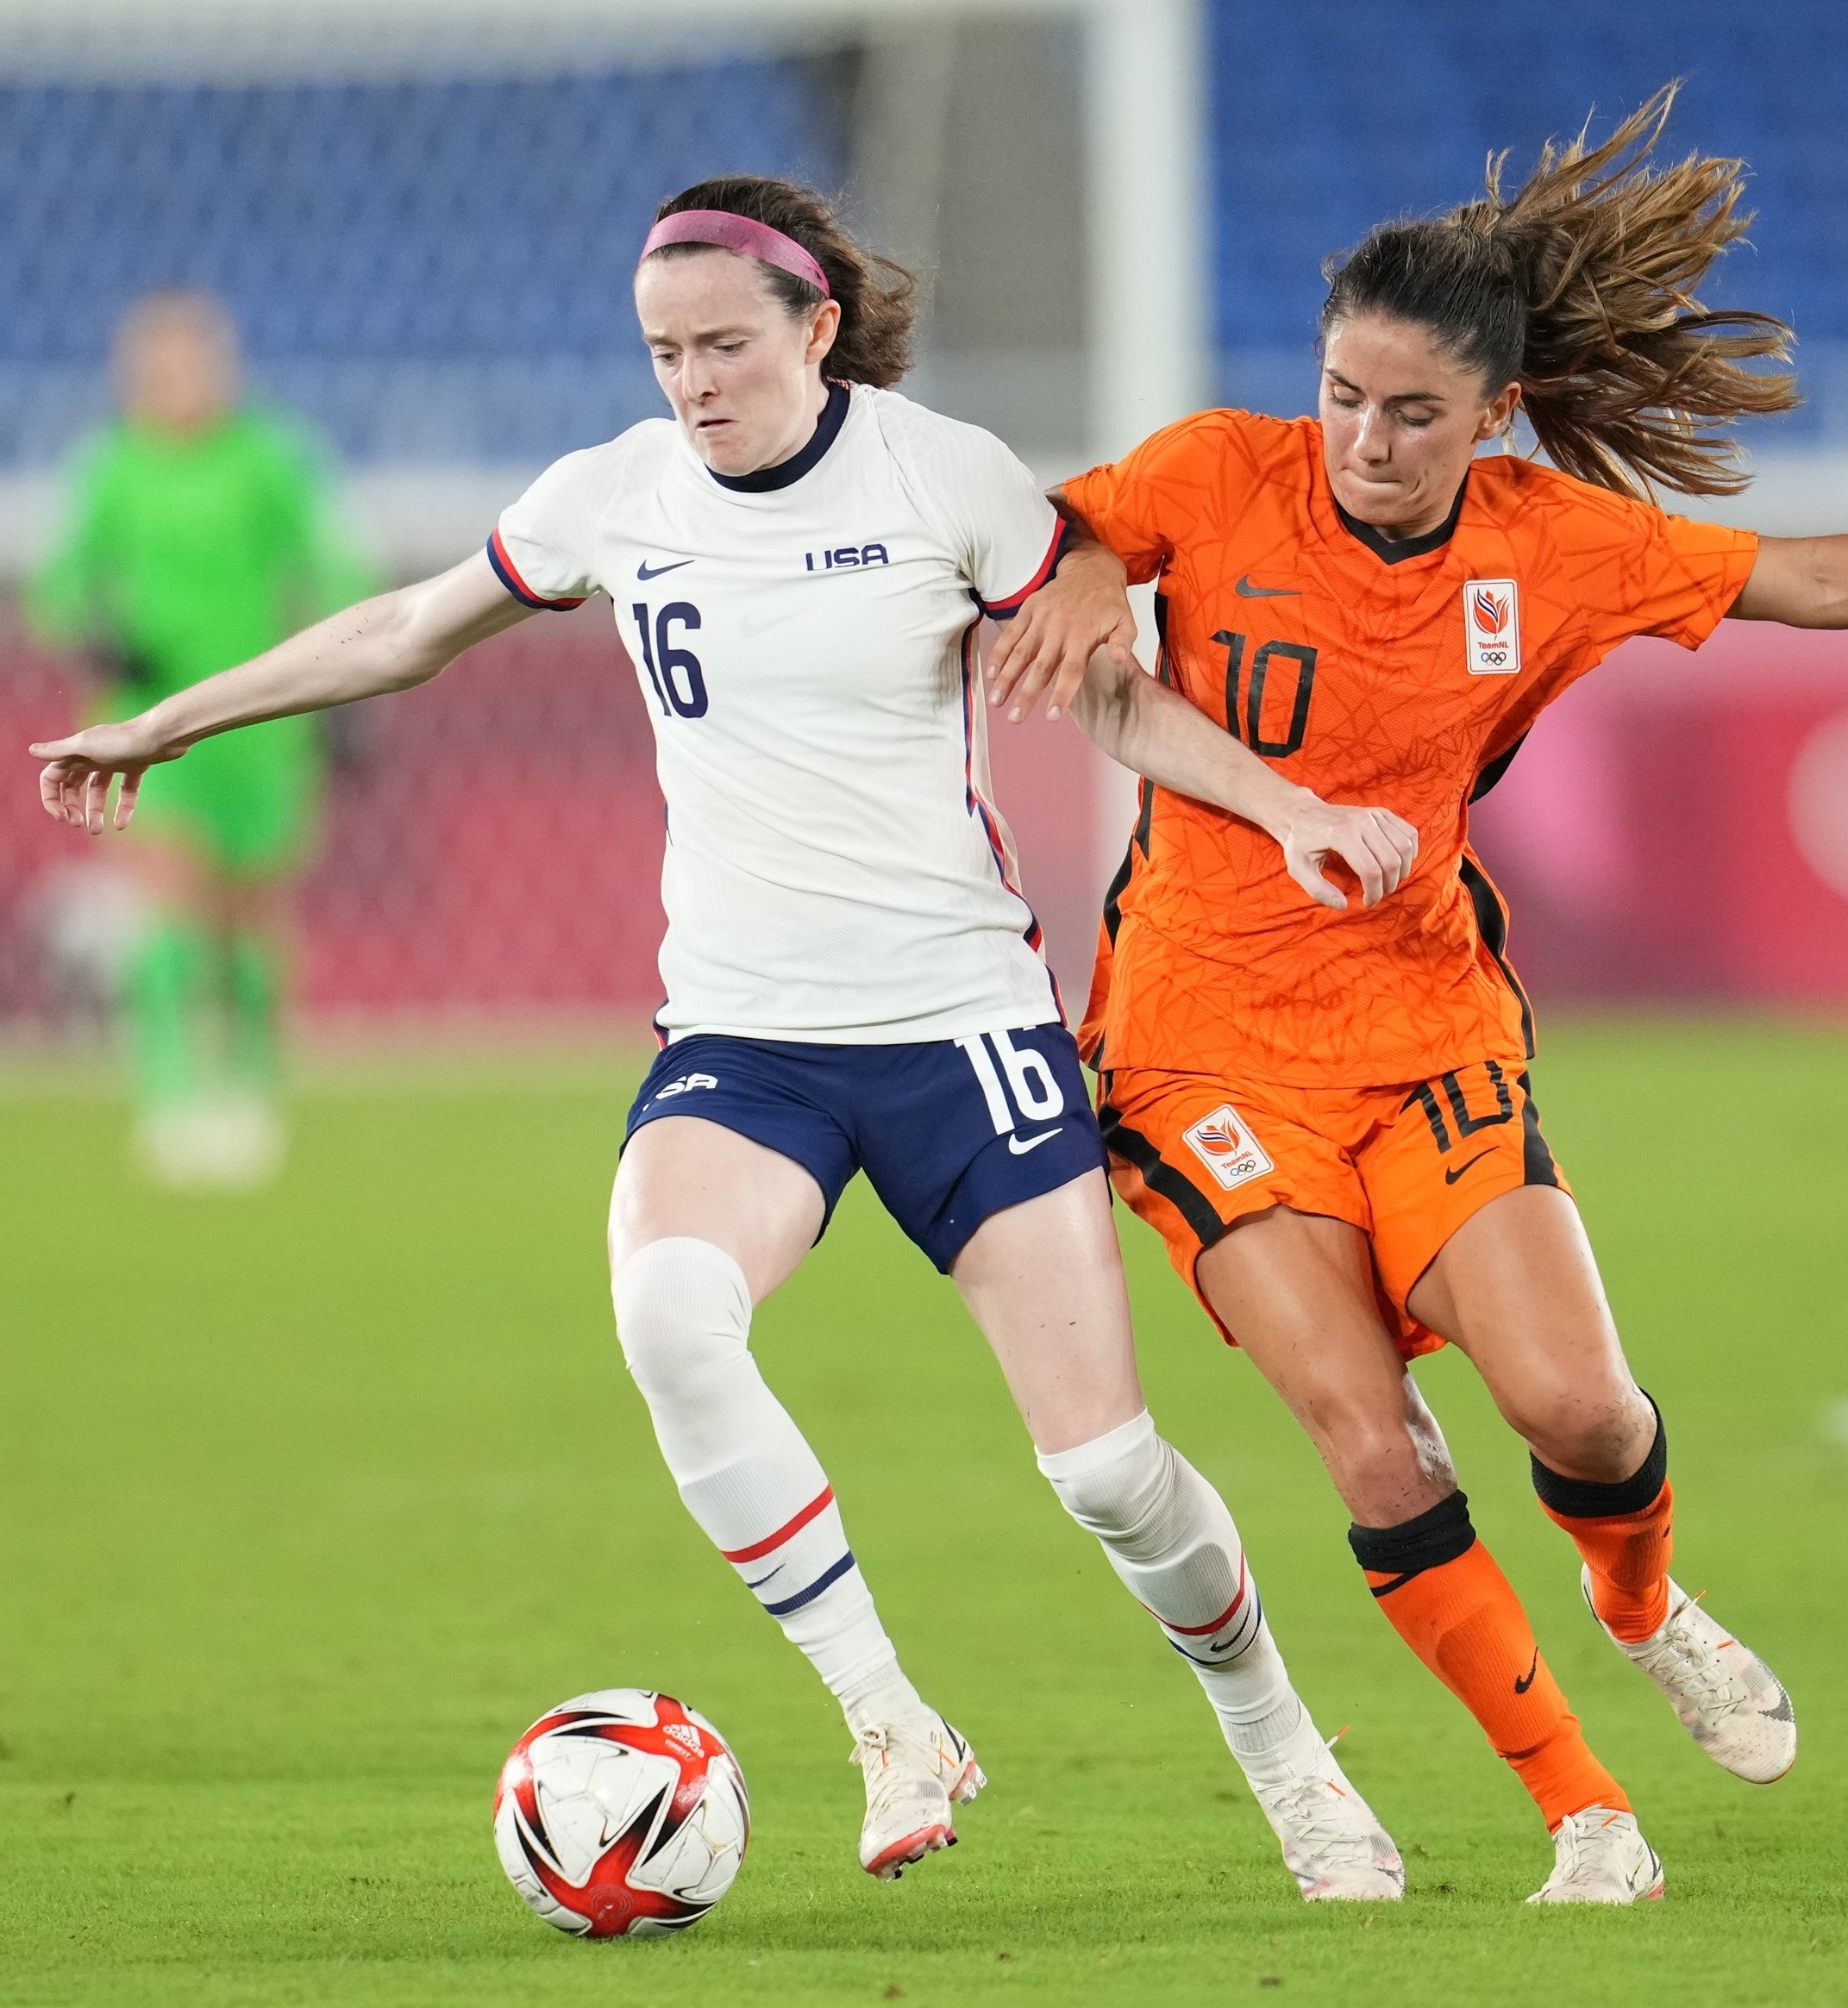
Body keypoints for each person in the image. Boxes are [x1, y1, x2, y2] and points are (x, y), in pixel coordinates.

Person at [32, 178, 1422, 1900]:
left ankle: (1284, 1754)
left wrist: (1287, 809)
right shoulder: (611, 496)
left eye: (722, 345)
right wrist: (173, 717)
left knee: (1106, 1472)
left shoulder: (942, 479)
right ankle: (889, 1720)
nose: (692, 381)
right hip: (746, 1041)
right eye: (663, 351)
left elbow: (1112, 693)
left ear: (815, 326)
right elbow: (405, 628)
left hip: (960, 1030)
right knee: (668, 1311)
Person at [989, 84, 1848, 1905]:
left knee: (1580, 1416)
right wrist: (1074, 570)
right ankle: (1580, 1810)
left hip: (1421, 1022)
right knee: (1366, 1436)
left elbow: (1806, 578)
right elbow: (1077, 529)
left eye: (1409, 414)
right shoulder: (1219, 470)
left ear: (1492, 415)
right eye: (1340, 394)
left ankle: (1645, 1603)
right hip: (1197, 1039)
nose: (1363, 440)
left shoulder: (1548, 546)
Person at [27, 291, 373, 1186]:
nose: (175, 384)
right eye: (157, 367)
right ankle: (173, 1097)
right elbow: (62, 582)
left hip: (261, 726)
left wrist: (351, 688)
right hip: (149, 725)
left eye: (191, 363)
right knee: (168, 903)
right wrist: (93, 630)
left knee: (250, 915)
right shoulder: (113, 467)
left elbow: (330, 566)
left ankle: (253, 1093)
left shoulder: (269, 457)